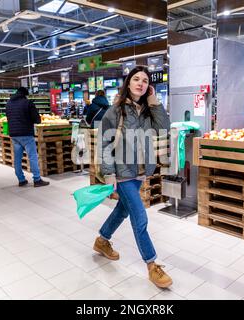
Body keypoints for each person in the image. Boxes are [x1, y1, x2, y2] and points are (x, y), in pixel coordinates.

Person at [93, 66, 172, 288]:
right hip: (121, 172)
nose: (140, 83)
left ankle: (102, 240)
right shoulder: (115, 110)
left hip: (139, 172)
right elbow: (104, 143)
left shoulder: (148, 110)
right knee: (140, 218)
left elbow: (164, 128)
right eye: (136, 79)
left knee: (123, 210)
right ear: (128, 83)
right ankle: (152, 264)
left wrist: (154, 101)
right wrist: (108, 172)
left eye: (145, 81)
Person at [6, 87, 49, 187]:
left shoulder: (8, 103)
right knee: (32, 156)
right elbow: (37, 120)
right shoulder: (28, 103)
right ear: (25, 94)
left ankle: (21, 179)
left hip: (14, 134)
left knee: (17, 158)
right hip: (26, 134)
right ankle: (37, 179)